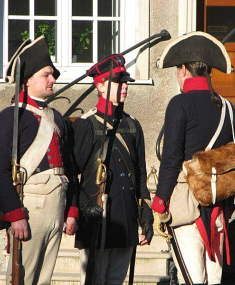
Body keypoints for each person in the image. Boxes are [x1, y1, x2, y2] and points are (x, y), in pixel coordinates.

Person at [0, 36, 79, 285]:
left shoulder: (57, 118)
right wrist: (15, 213)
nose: (53, 79)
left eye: (53, 74)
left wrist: (71, 210)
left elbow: (69, 167)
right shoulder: (10, 117)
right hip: (30, 206)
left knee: (45, 279)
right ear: (27, 81)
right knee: (23, 277)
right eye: (46, 75)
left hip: (57, 205)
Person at [152, 32, 235, 285]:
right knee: (213, 280)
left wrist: (160, 202)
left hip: (186, 206)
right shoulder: (228, 108)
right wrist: (229, 205)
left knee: (192, 280)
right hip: (219, 208)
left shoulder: (179, 104)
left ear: (182, 71)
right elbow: (233, 162)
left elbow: (170, 158)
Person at [72, 54, 154, 284]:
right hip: (97, 218)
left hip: (125, 218)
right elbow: (71, 174)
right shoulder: (86, 124)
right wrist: (81, 208)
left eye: (126, 81)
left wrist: (145, 217)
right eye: (118, 81)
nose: (125, 87)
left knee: (116, 280)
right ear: (100, 85)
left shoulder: (133, 125)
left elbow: (140, 175)